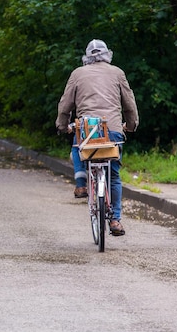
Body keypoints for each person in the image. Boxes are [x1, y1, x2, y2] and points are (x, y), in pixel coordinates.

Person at [56, 39, 139, 236]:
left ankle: (81, 185)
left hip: (87, 129)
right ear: (107, 54)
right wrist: (131, 125)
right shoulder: (117, 73)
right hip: (112, 129)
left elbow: (65, 104)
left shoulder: (77, 73)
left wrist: (61, 126)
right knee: (114, 176)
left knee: (78, 145)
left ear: (87, 56)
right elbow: (129, 103)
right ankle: (116, 220)